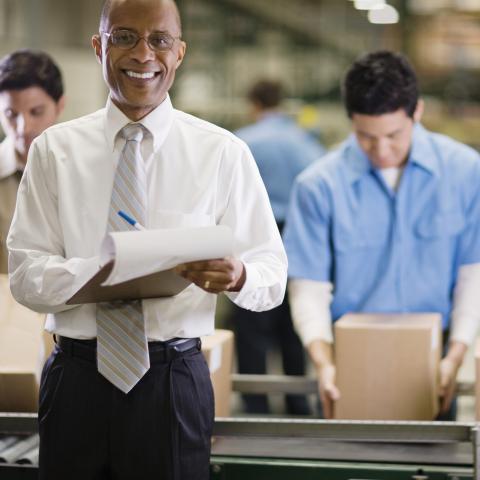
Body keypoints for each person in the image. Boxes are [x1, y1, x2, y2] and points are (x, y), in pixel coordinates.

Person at [7, 1, 287, 479]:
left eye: (159, 40)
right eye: (124, 37)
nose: (143, 54)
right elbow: (25, 276)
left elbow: (272, 276)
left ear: (179, 53)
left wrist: (238, 275)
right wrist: (104, 272)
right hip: (76, 379)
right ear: (99, 46)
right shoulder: (55, 151)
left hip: (172, 382)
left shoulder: (222, 154)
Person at [284, 51, 480, 420]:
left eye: (394, 135)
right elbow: (308, 287)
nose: (381, 150)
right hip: (347, 361)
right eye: (365, 137)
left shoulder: (465, 172)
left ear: (416, 112)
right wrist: (323, 362)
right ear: (351, 122)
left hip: (435, 360)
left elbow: (473, 274)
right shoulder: (318, 185)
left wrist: (455, 356)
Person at [231, 79, 325, 415]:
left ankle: (255, 403)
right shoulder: (306, 144)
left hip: (253, 238)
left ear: (254, 103)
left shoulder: (241, 142)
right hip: (298, 237)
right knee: (294, 321)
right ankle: (297, 401)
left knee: (252, 318)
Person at [0, 49, 64, 273]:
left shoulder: (82, 171)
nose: (23, 128)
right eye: (10, 114)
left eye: (36, 112)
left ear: (60, 106)